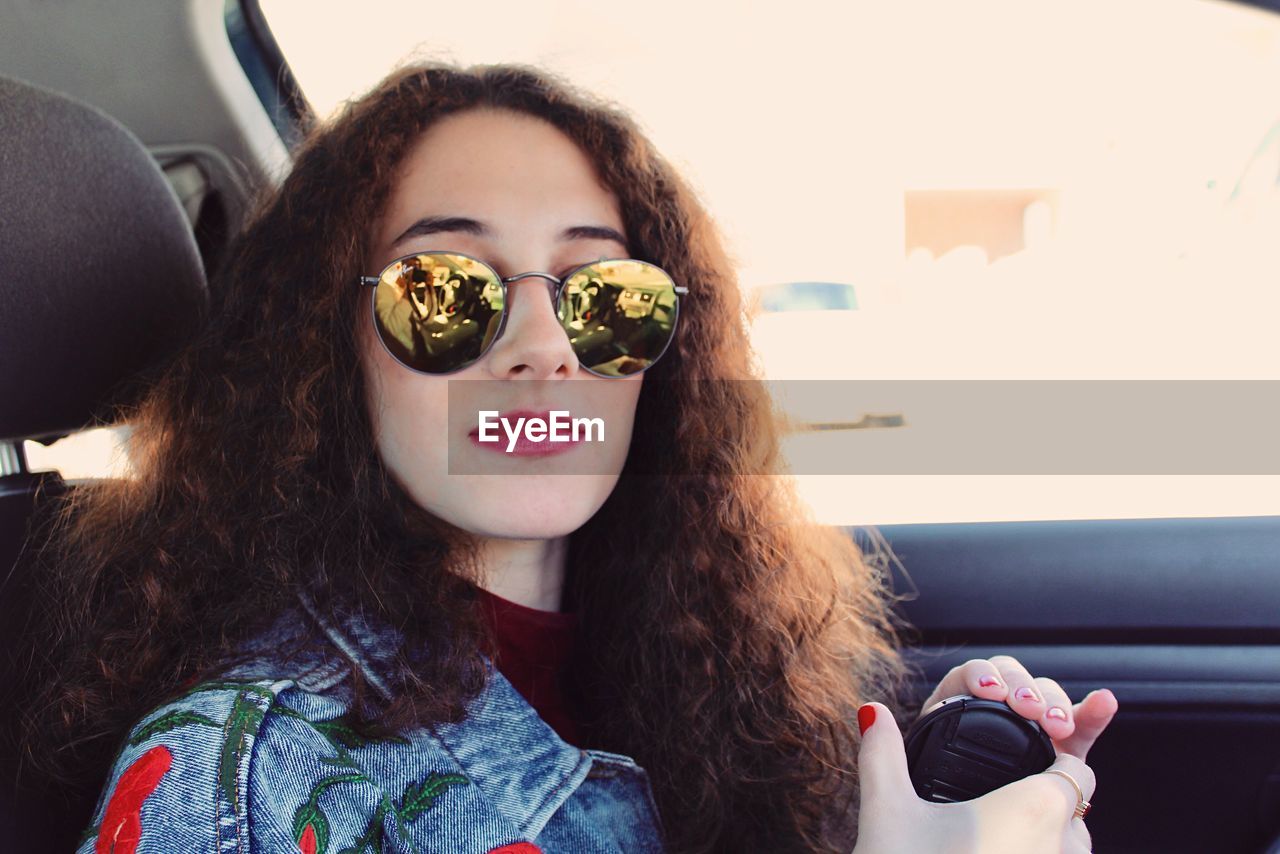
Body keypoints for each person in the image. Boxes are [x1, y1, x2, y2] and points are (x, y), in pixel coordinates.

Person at [17, 63, 1116, 853]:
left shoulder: (728, 681)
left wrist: (909, 786)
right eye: (444, 292)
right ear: (324, 349)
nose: (544, 344)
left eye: (605, 298)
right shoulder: (240, 780)